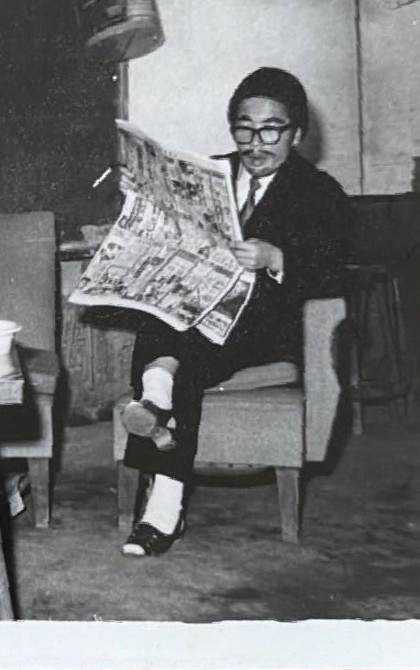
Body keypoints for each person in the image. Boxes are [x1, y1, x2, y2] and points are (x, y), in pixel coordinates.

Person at [119, 67, 350, 556]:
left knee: (182, 342)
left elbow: (332, 273)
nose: (255, 143)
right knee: (167, 306)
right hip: (197, 315)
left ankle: (157, 399)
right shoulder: (209, 173)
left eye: (271, 130)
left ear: (297, 134)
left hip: (265, 326)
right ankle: (164, 492)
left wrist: (277, 258)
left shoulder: (320, 192)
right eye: (244, 129)